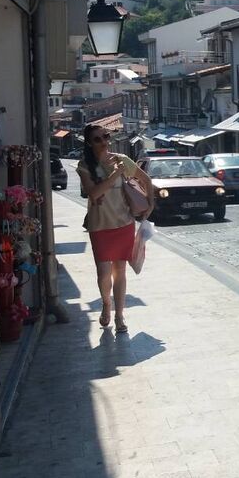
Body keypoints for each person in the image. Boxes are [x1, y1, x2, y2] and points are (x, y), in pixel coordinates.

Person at [75, 125, 154, 333]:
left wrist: (150, 203)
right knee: (103, 273)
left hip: (123, 223)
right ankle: (106, 303)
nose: (104, 141)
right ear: (90, 143)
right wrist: (116, 174)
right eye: (98, 139)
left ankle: (119, 315)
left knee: (120, 271)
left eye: (106, 136)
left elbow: (146, 179)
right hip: (99, 225)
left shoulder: (122, 159)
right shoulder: (85, 165)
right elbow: (94, 193)